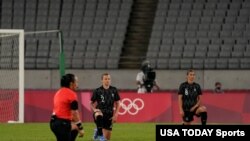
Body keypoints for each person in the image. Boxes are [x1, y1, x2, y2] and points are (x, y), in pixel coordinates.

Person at [50, 73, 84, 141]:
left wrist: (77, 126)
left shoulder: (58, 92)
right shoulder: (72, 94)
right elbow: (74, 113)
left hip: (53, 123)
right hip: (62, 124)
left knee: (75, 127)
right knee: (76, 127)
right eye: (76, 82)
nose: (77, 84)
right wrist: (81, 127)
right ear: (71, 84)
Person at [90, 73, 121, 141]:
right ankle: (100, 133)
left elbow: (118, 103)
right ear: (102, 80)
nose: (107, 80)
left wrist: (116, 114)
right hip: (100, 113)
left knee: (107, 138)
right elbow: (91, 103)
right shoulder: (97, 91)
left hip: (109, 115)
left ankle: (98, 130)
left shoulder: (114, 90)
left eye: (109, 79)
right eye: (105, 79)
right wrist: (94, 109)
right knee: (99, 114)